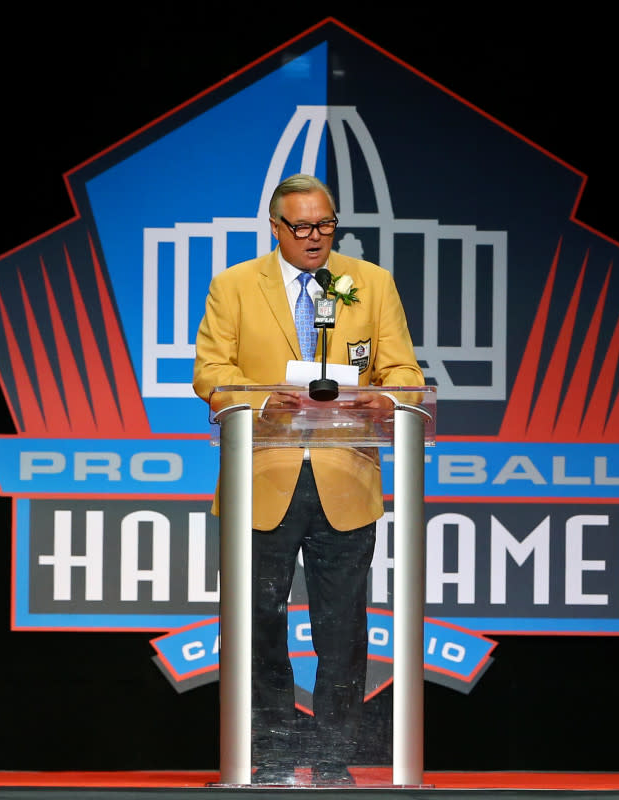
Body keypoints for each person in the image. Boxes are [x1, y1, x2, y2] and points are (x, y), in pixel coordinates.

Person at [192, 174, 424, 786]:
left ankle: (330, 759)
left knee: (343, 628)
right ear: (276, 228)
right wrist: (266, 400)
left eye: (325, 223)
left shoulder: (369, 283)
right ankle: (265, 756)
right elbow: (211, 370)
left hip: (345, 475)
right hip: (262, 475)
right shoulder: (234, 286)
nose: (316, 236)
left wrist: (388, 397)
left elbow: (401, 368)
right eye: (302, 226)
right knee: (257, 622)